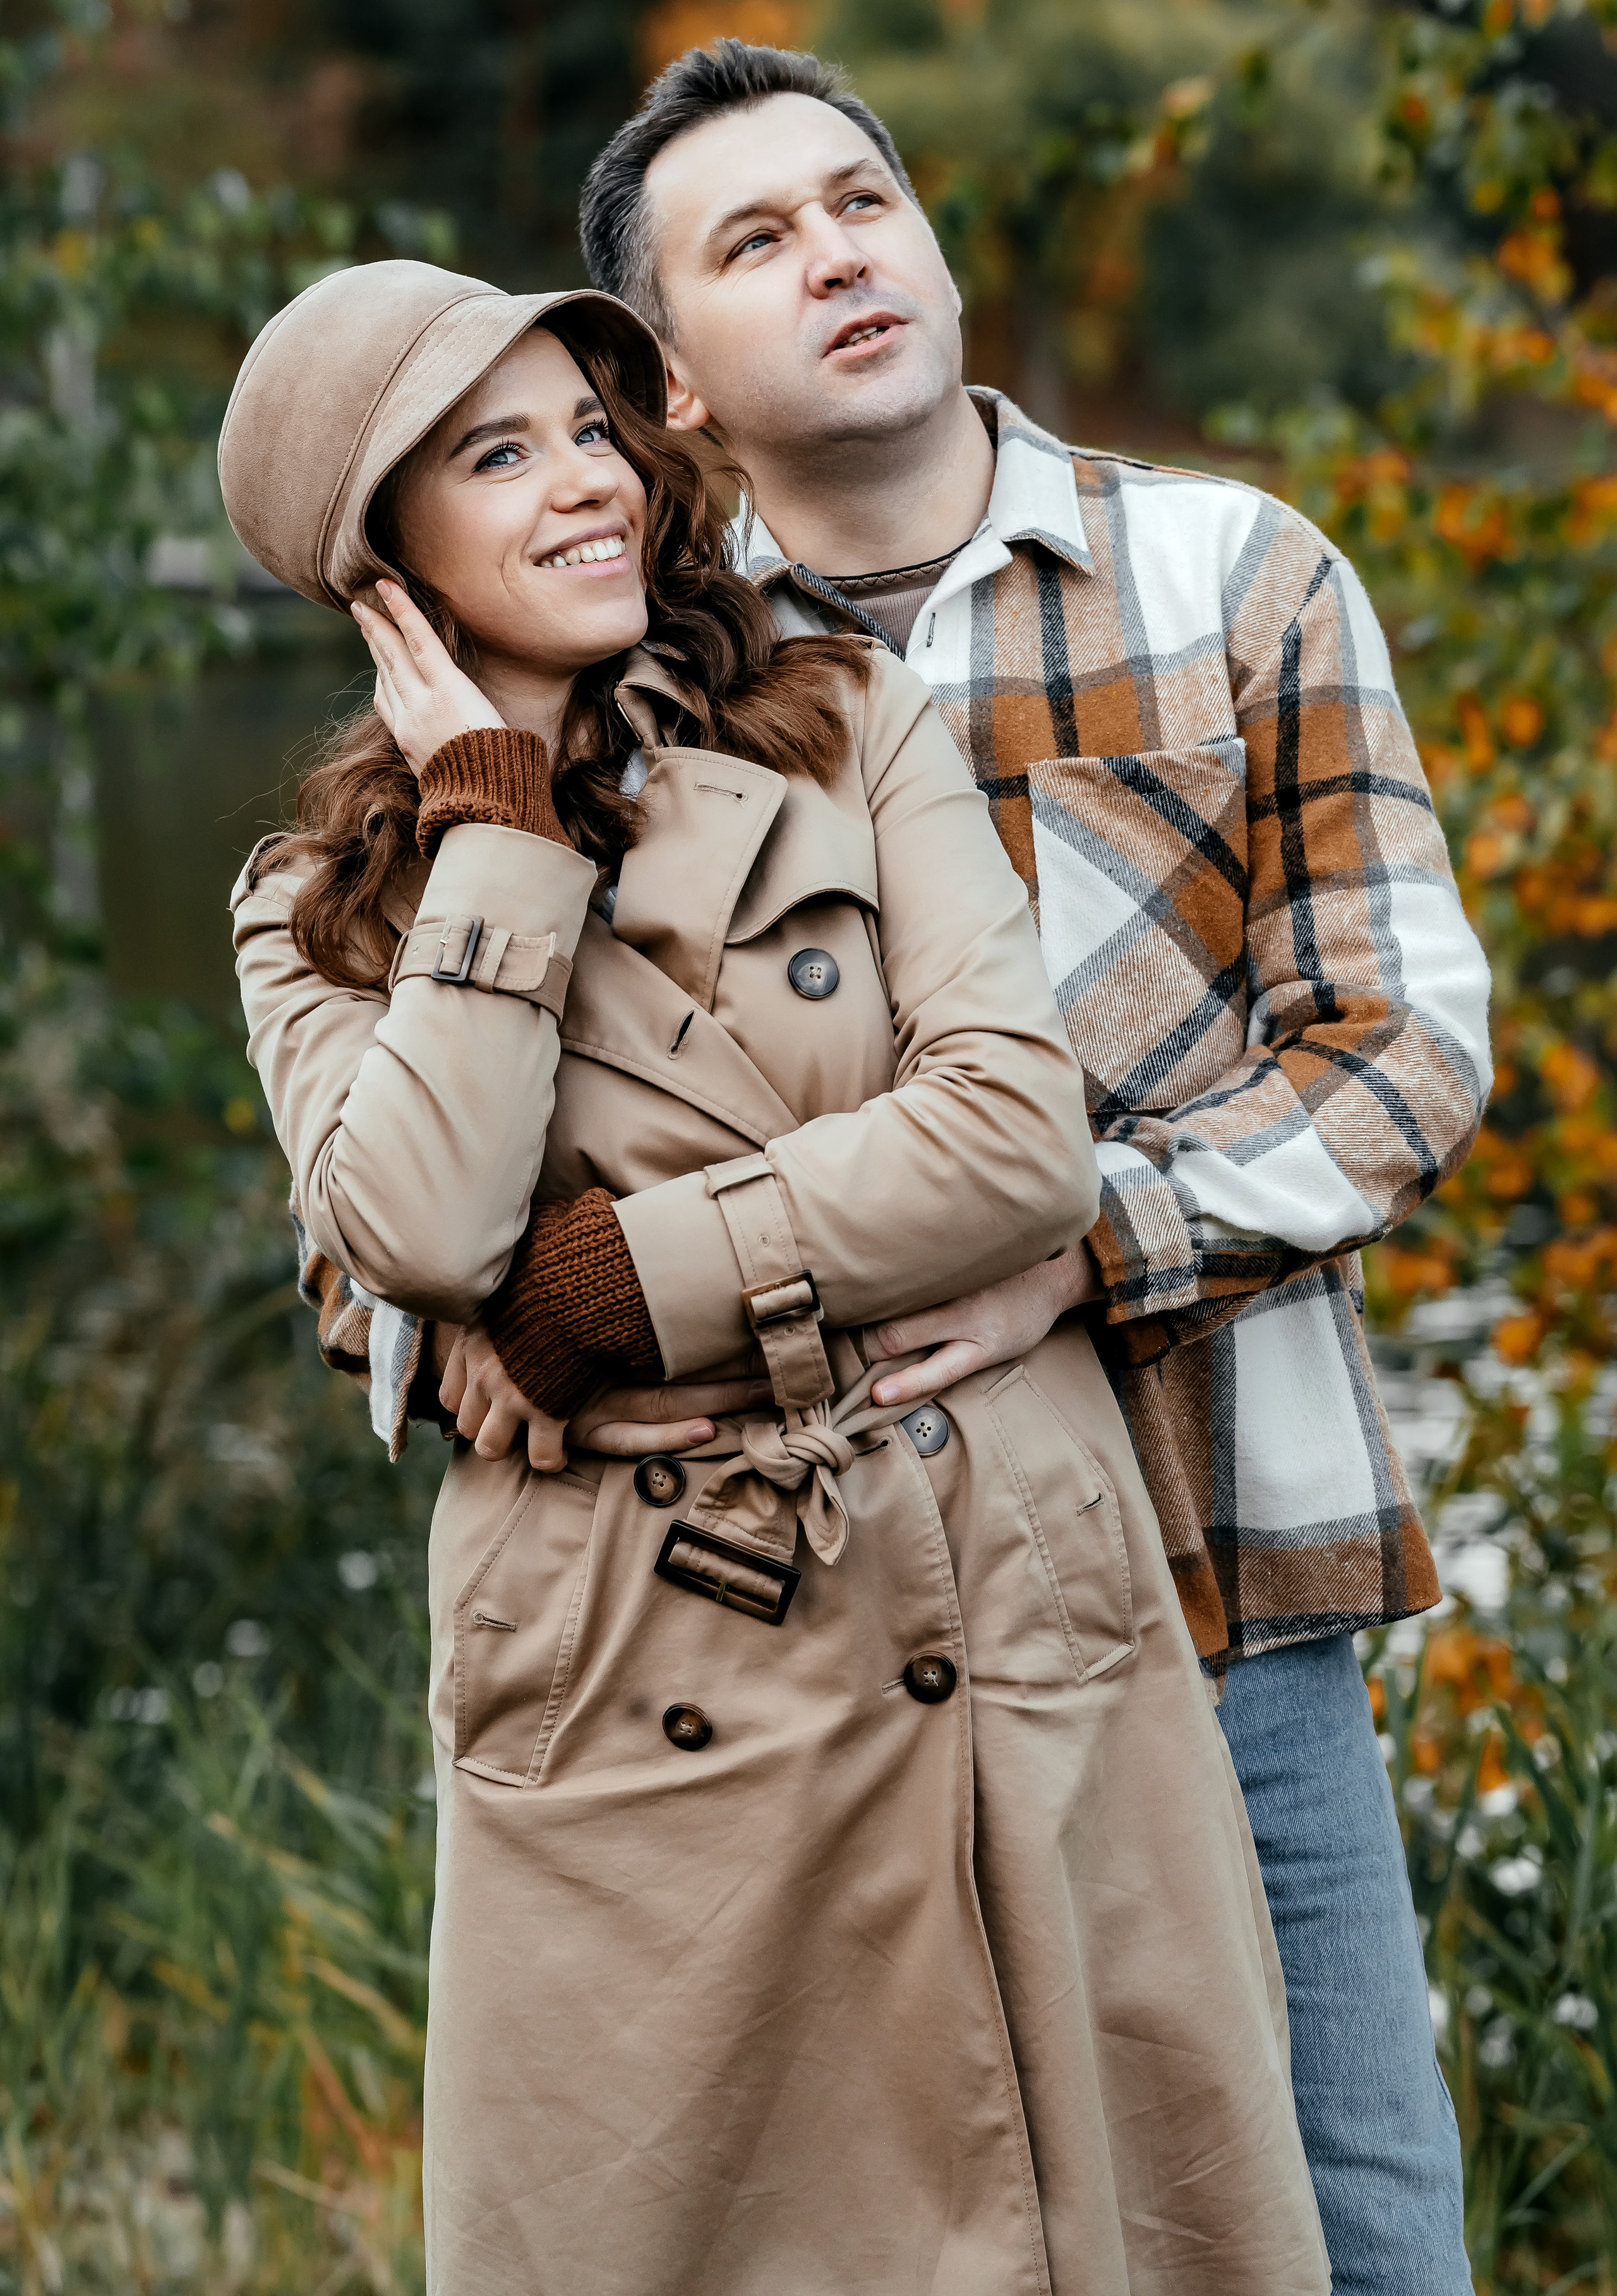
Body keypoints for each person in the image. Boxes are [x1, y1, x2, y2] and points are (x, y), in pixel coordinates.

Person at [222, 258, 1328, 2294]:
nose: (585, 490)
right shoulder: (315, 910)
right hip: (641, 1659)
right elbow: (425, 1236)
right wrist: (494, 817)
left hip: (987, 1577)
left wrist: (617, 1290)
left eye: (589, 434)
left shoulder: (842, 725)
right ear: (381, 569)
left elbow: (1012, 1141)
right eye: (497, 457)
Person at [568, 42, 1489, 2293]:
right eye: (756, 241)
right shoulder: (642, 689)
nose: (839, 256)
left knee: (1356, 2213)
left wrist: (1096, 1242)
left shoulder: (1232, 575)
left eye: (862, 198)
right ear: (675, 384)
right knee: (914, 2230)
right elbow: (475, 1134)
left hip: (1220, 1560)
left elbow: (1404, 1038)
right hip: (826, 1604)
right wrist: (461, 1339)